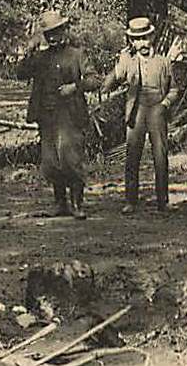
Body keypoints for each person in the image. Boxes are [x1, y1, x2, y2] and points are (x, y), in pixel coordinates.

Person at [16, 11, 99, 219]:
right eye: (49, 33)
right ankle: (59, 203)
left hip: (71, 115)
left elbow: (94, 80)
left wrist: (75, 87)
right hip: (47, 115)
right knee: (51, 161)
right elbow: (20, 73)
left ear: (65, 31)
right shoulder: (40, 58)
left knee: (71, 159)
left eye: (57, 31)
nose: (54, 37)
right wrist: (29, 51)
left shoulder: (77, 54)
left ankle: (77, 204)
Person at [101, 16, 178, 212]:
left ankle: (163, 200)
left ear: (152, 36)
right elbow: (107, 85)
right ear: (132, 42)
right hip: (136, 112)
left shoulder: (164, 62)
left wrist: (165, 104)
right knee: (132, 155)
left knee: (160, 155)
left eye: (145, 37)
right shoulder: (128, 61)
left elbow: (175, 89)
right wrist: (119, 63)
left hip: (157, 110)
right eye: (137, 39)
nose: (142, 43)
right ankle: (131, 201)